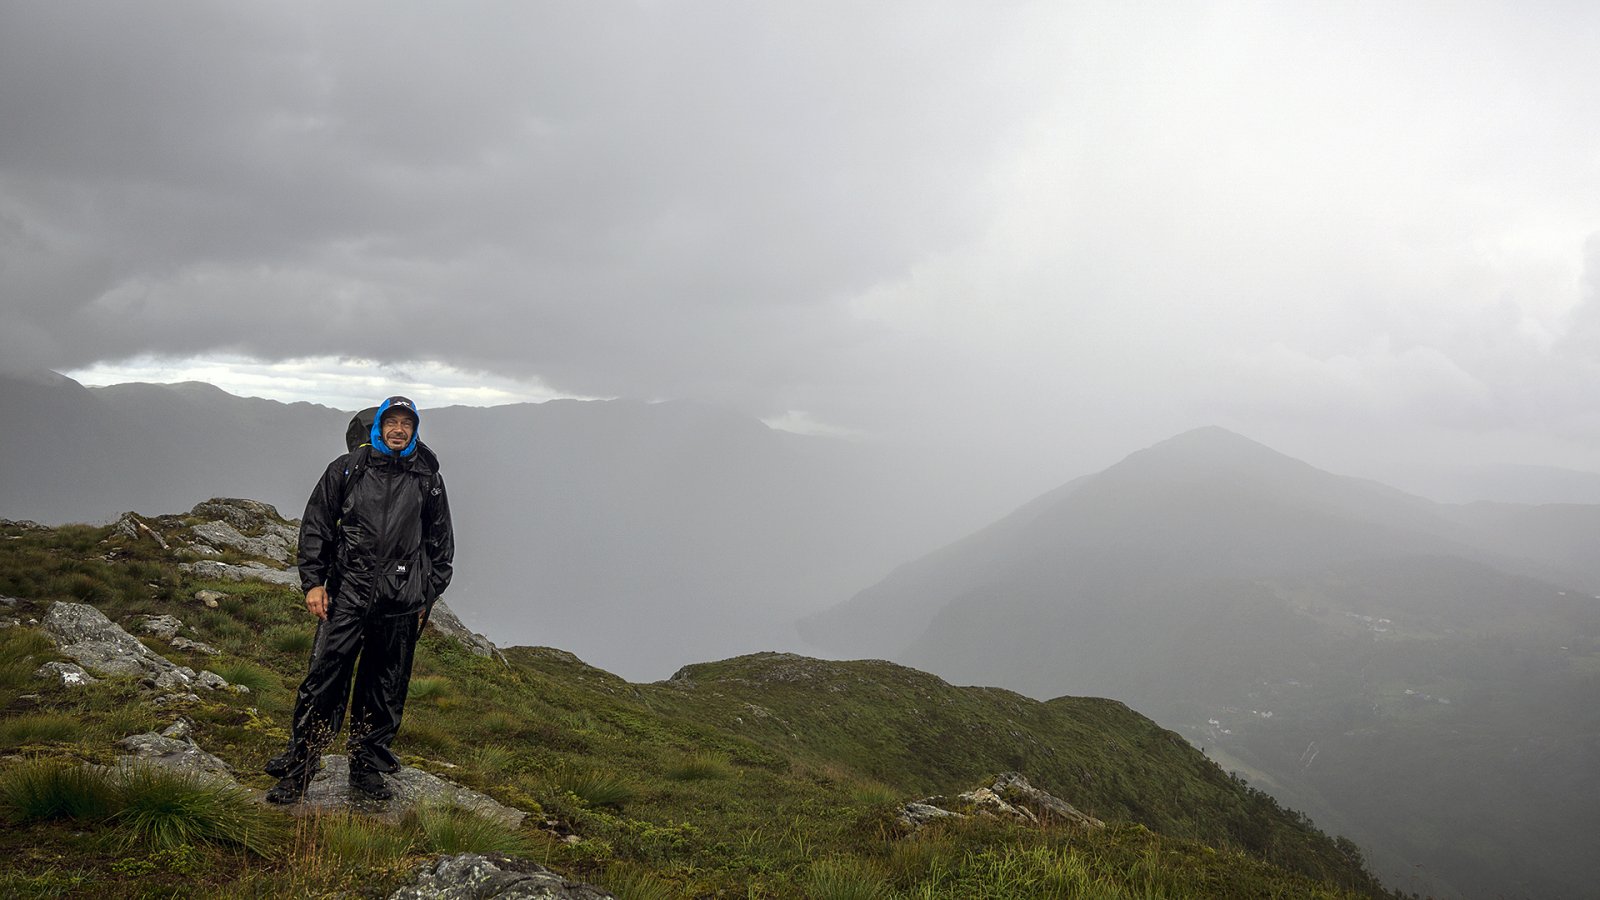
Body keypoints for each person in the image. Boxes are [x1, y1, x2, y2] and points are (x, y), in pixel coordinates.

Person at [264, 395, 454, 803]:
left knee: (384, 689)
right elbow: (316, 526)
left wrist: (425, 596)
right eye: (392, 421)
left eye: (406, 423)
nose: (399, 429)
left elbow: (441, 544)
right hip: (346, 594)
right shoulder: (347, 468)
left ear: (414, 429)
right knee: (323, 682)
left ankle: (367, 767)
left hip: (399, 603)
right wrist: (314, 583)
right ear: (379, 426)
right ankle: (299, 769)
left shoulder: (427, 478)